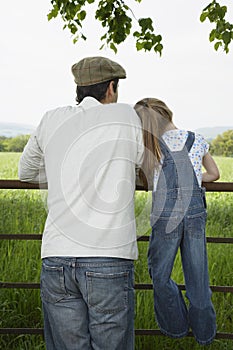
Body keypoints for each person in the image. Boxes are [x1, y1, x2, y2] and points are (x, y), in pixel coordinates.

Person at [18, 56, 144, 350]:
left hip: (56, 257)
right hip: (109, 257)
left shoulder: (51, 118)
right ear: (111, 88)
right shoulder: (126, 116)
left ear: (78, 88)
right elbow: (145, 165)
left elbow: (26, 172)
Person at [134, 97, 220, 346]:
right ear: (167, 113)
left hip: (165, 217)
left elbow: (146, 180)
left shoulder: (151, 146)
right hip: (194, 214)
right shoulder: (196, 139)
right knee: (198, 276)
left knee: (160, 275)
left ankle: (177, 327)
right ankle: (204, 334)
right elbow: (214, 174)